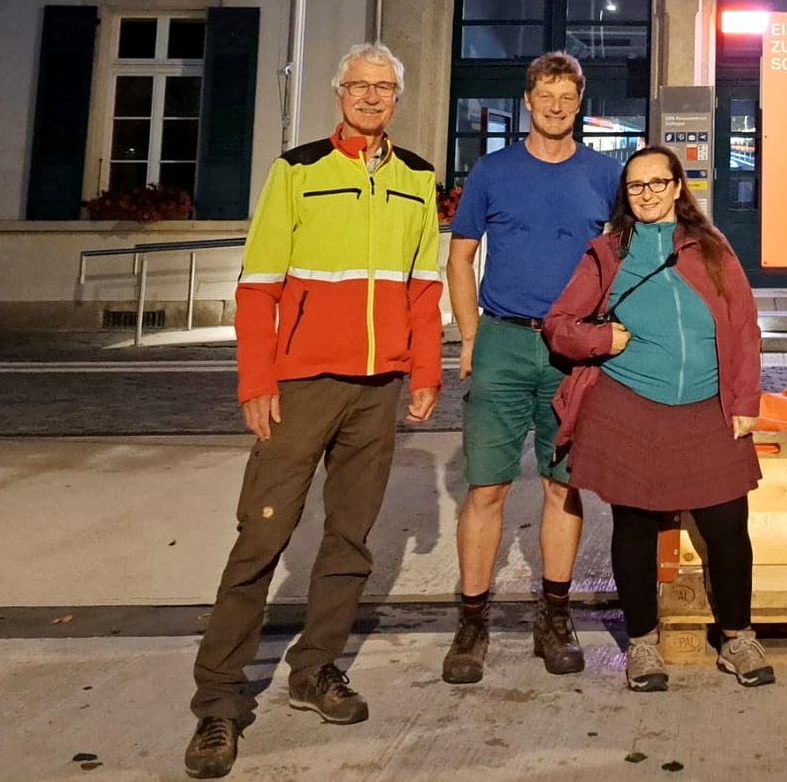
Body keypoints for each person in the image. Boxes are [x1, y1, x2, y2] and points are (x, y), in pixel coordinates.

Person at [184, 43, 441, 780]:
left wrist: (425, 372)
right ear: (338, 94)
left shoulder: (417, 178)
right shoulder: (296, 170)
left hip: (378, 389)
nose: (371, 96)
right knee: (261, 537)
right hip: (300, 385)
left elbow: (424, 287)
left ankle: (315, 669)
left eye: (384, 87)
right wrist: (256, 382)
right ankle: (220, 700)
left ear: (397, 97)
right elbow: (258, 285)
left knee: (350, 540)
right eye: (359, 85)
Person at [543, 145, 770, 693]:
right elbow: (559, 324)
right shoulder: (607, 253)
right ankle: (643, 644)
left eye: (657, 183)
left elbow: (743, 324)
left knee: (728, 526)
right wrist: (602, 339)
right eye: (635, 185)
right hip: (630, 404)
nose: (646, 194)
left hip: (708, 406)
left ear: (676, 187)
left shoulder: (711, 247)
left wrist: (745, 401)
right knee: (635, 528)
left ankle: (737, 637)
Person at [442, 51, 622, 684]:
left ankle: (555, 615)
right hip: (503, 337)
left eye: (566, 97)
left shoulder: (604, 175)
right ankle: (473, 622)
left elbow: (626, 258)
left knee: (561, 486)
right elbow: (460, 258)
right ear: (527, 101)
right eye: (545, 95)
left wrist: (610, 332)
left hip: (571, 350)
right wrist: (469, 336)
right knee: (486, 488)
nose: (555, 107)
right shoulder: (493, 171)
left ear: (580, 104)